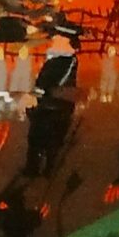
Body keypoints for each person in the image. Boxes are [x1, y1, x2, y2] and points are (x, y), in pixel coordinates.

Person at [23, 31, 80, 178]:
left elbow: (54, 83)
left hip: (55, 107)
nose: (53, 41)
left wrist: (39, 94)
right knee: (37, 139)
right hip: (47, 105)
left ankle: (46, 169)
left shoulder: (66, 61)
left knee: (50, 140)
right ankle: (34, 168)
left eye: (58, 39)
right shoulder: (55, 60)